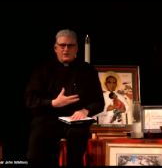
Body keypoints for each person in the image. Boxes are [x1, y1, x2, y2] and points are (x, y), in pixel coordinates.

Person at [24, 29, 104, 167]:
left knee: (77, 139)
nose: (66, 49)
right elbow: (30, 100)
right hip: (47, 119)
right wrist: (53, 103)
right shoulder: (42, 69)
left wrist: (85, 111)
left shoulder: (88, 70)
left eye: (70, 45)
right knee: (38, 142)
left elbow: (99, 102)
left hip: (76, 121)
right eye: (62, 45)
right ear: (55, 48)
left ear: (77, 48)